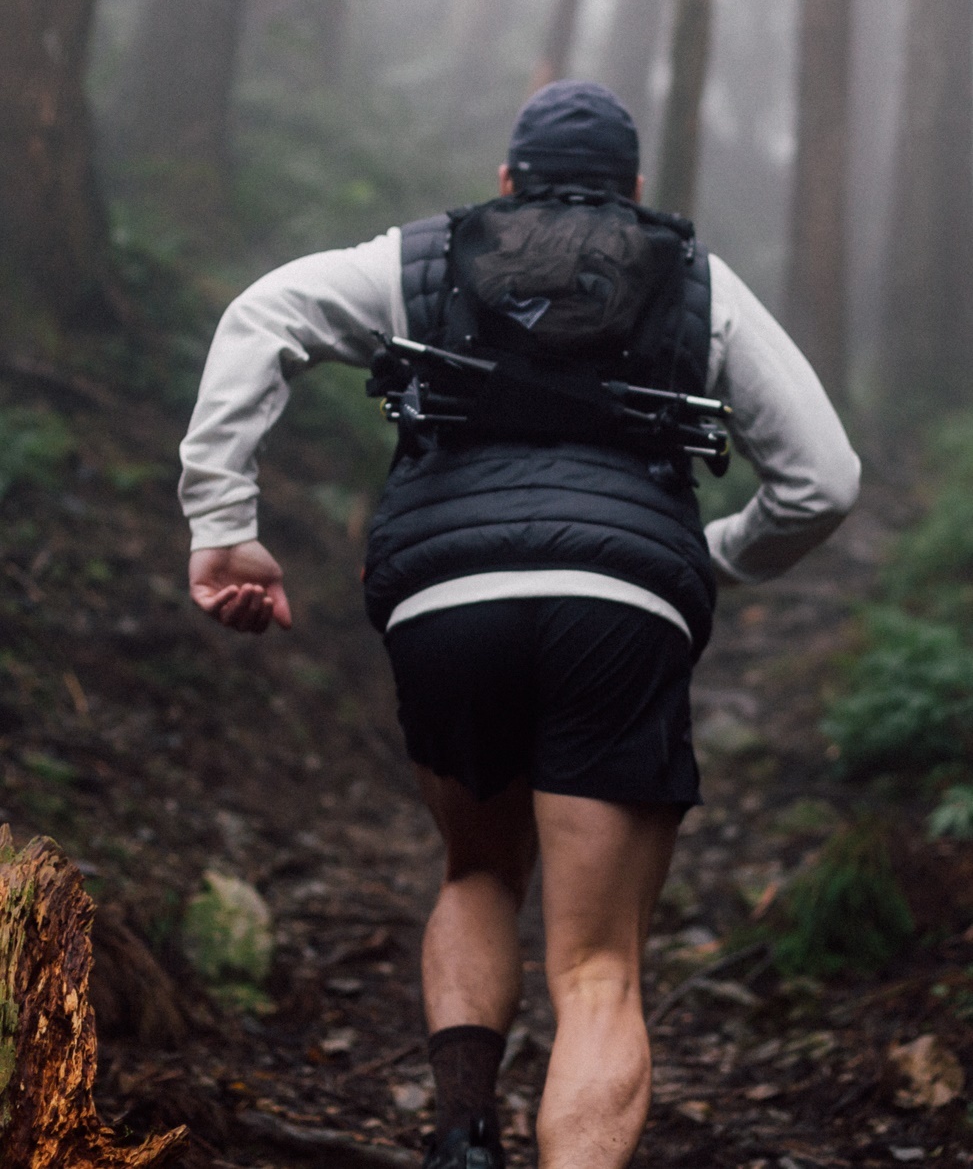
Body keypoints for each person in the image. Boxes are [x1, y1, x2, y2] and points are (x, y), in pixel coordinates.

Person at [180, 81, 860, 1169]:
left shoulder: (420, 259)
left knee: (477, 871)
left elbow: (263, 316)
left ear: (506, 182)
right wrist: (712, 558)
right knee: (596, 967)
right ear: (635, 191)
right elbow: (823, 481)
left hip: (444, 598)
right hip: (621, 611)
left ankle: (459, 1134)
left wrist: (223, 522)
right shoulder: (697, 282)